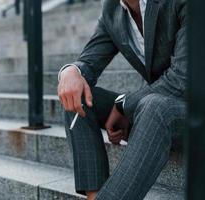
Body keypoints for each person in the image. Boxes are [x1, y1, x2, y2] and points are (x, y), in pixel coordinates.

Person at [57, 0, 187, 199]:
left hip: (190, 109)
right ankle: (95, 196)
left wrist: (123, 105)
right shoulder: (112, 9)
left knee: (153, 106)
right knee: (77, 94)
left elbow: (184, 79)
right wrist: (70, 72)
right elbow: (88, 63)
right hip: (153, 106)